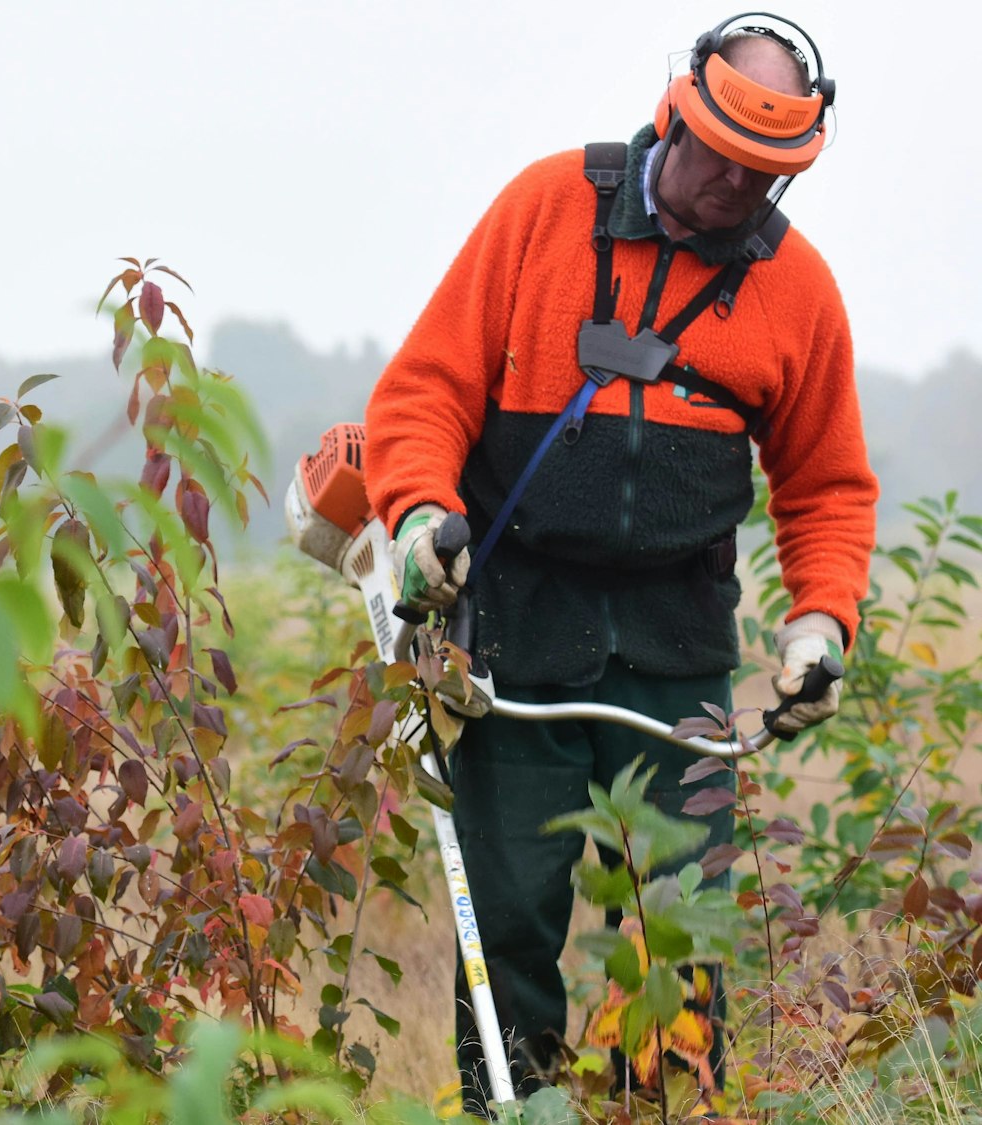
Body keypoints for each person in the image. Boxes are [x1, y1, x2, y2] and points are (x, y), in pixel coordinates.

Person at [361, 14, 878, 1113]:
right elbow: (423, 395)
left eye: (762, 176)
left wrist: (818, 625)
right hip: (511, 633)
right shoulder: (544, 209)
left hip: (675, 649)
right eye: (720, 162)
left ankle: (673, 1111)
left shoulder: (796, 291)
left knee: (678, 926)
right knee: (505, 923)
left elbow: (826, 488)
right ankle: (516, 1108)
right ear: (673, 116)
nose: (734, 191)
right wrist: (415, 519)